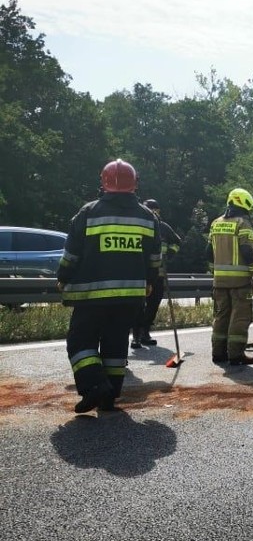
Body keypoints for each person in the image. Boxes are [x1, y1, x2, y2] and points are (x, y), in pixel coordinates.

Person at [57, 159, 161, 413]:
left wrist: (63, 275)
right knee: (116, 343)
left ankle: (94, 385)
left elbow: (72, 254)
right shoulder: (148, 218)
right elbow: (154, 259)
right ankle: (110, 395)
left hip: (91, 295)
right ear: (134, 185)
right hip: (130, 297)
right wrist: (149, 283)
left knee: (80, 341)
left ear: (103, 184)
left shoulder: (88, 213)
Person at [207, 188, 253, 366]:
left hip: (219, 281)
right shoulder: (243, 223)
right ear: (244, 203)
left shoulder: (216, 223)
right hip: (239, 282)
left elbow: (208, 253)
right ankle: (236, 354)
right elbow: (248, 251)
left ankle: (218, 353)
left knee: (221, 316)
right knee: (240, 317)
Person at [131, 198, 181, 349]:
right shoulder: (137, 225)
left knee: (153, 304)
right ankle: (136, 336)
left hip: (158, 273)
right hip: (139, 273)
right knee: (138, 305)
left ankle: (145, 332)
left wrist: (169, 254)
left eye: (154, 211)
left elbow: (177, 242)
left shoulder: (164, 228)